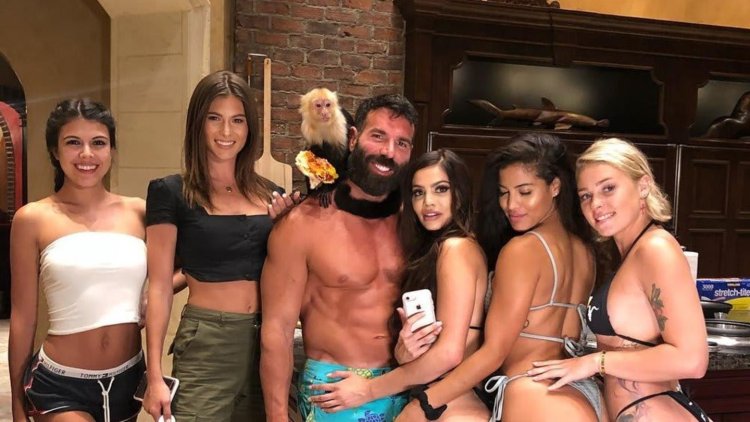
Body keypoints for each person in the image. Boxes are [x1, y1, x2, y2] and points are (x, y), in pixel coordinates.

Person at [397, 133, 603, 421]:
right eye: (504, 193)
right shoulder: (585, 251)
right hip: (584, 395)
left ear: (555, 186)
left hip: (534, 395)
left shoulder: (523, 250)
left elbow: (493, 352)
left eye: (525, 192)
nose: (511, 204)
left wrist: (425, 403)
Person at [142, 70, 296, 421]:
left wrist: (285, 227)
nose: (226, 132)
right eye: (215, 118)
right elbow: (160, 285)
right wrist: (154, 377)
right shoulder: (171, 192)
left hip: (269, 340)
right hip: (208, 342)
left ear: (249, 127)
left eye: (237, 120)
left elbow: (288, 273)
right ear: (198, 123)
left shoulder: (272, 195)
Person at [260, 94, 418, 421]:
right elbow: (277, 331)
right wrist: (277, 417)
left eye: (401, 143)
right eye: (378, 136)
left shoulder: (416, 222)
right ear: (353, 137)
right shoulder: (302, 223)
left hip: (406, 385)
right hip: (333, 391)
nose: (389, 152)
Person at [530, 138, 709, 421]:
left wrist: (594, 362)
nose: (596, 204)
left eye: (608, 188)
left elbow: (692, 360)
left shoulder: (656, 249)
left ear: (643, 185)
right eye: (586, 196)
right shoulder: (632, 253)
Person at [305, 148, 490, 420]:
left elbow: (450, 353)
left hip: (452, 404)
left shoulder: (456, 249)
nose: (428, 202)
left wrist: (368, 390)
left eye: (441, 189)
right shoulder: (438, 250)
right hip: (436, 397)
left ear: (460, 193)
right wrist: (404, 352)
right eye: (418, 192)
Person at [9, 98, 147, 422]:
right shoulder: (32, 218)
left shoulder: (139, 211)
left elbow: (192, 266)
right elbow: (23, 318)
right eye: (73, 143)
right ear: (55, 151)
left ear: (111, 150)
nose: (87, 154)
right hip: (60, 385)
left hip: (129, 380)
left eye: (98, 143)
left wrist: (153, 292)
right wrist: (16, 406)